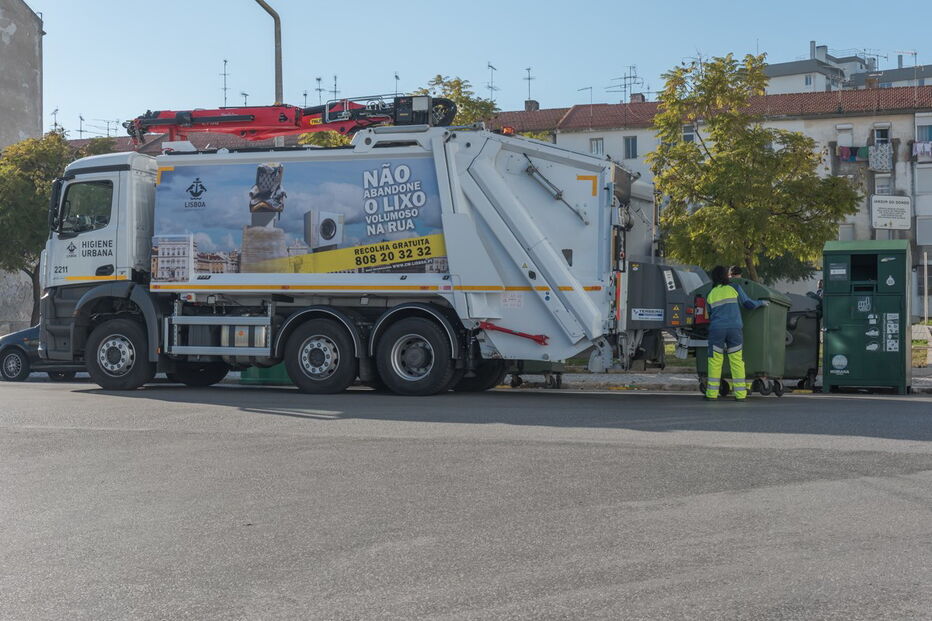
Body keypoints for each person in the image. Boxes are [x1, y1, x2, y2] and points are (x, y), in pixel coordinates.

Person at [705, 265, 768, 401]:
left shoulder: (711, 293)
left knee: (715, 361)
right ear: (726, 276)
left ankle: (711, 394)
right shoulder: (734, 288)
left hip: (717, 330)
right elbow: (748, 304)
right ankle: (740, 395)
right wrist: (761, 302)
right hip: (734, 329)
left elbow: (708, 314)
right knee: (736, 360)